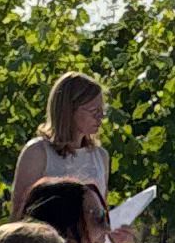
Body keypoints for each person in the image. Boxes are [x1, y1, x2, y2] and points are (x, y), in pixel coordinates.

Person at [10, 73, 111, 219]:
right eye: (94, 111)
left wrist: (115, 232)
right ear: (69, 110)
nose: (100, 117)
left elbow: (100, 217)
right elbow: (19, 215)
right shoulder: (37, 153)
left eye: (102, 111)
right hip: (47, 241)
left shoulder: (101, 157)